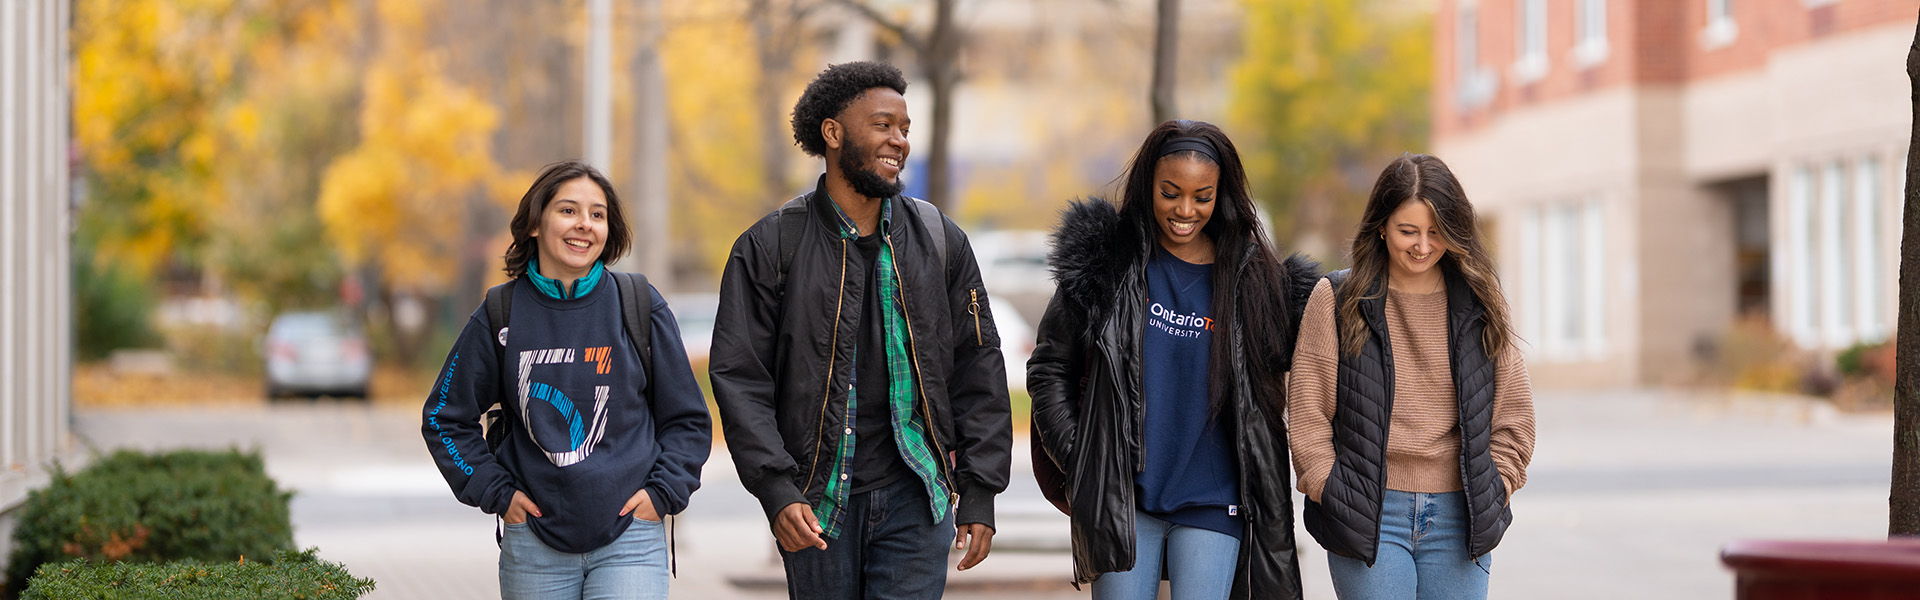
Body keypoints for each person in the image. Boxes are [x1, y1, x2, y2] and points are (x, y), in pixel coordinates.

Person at [709, 60, 1012, 600]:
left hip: (917, 497)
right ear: (833, 133)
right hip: (817, 504)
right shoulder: (769, 247)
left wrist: (981, 488)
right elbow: (739, 377)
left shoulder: (942, 240)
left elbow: (979, 365)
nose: (899, 141)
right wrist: (777, 489)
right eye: (882, 125)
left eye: (905, 128)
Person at [1027, 119, 1317, 600]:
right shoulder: (1108, 262)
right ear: (1148, 186)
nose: (1186, 210)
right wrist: (1086, 461)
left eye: (1202, 197)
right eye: (1170, 192)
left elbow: (1315, 368)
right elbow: (1049, 368)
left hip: (1214, 499)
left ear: (1220, 195)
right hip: (1125, 497)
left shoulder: (1253, 278)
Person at [421, 160, 713, 600]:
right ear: (536, 222)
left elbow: (688, 420)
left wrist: (663, 493)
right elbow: (444, 418)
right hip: (534, 547)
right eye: (568, 211)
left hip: (631, 541)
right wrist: (497, 493)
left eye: (598, 214)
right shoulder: (501, 313)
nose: (585, 225)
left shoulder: (637, 303)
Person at [1287, 154, 1537, 600]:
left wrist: (1497, 484)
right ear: (1381, 226)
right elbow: (1308, 416)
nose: (1423, 246)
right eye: (1408, 231)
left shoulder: (1480, 299)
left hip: (1461, 518)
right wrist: (1334, 492)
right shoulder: (1337, 298)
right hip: (1368, 512)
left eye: (1437, 232)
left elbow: (1514, 415)